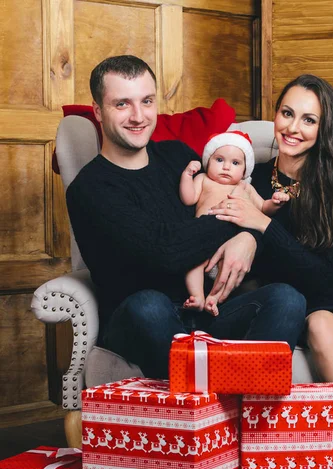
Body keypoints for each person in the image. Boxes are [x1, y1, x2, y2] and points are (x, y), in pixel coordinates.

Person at [208, 74, 333, 466]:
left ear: (323, 129)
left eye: (308, 119)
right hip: (313, 303)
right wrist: (245, 233)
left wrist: (261, 225)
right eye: (287, 113)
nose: (293, 128)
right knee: (319, 326)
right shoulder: (250, 177)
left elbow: (322, 272)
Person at [66, 55, 307, 381]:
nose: (138, 116)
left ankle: (245, 404)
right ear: (98, 112)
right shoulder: (91, 188)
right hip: (143, 322)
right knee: (147, 304)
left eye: (147, 101)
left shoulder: (178, 156)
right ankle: (225, 393)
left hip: (210, 311)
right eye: (122, 104)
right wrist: (240, 220)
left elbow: (251, 212)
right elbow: (164, 252)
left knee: (287, 297)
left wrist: (250, 238)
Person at [179, 130, 289, 315]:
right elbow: (188, 199)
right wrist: (187, 176)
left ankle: (213, 299)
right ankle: (197, 296)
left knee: (229, 270)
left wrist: (275, 203)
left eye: (235, 163)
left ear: (245, 170)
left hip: (231, 243)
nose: (226, 167)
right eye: (219, 160)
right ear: (208, 161)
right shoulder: (203, 179)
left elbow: (263, 208)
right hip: (202, 238)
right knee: (193, 262)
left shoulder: (245, 187)